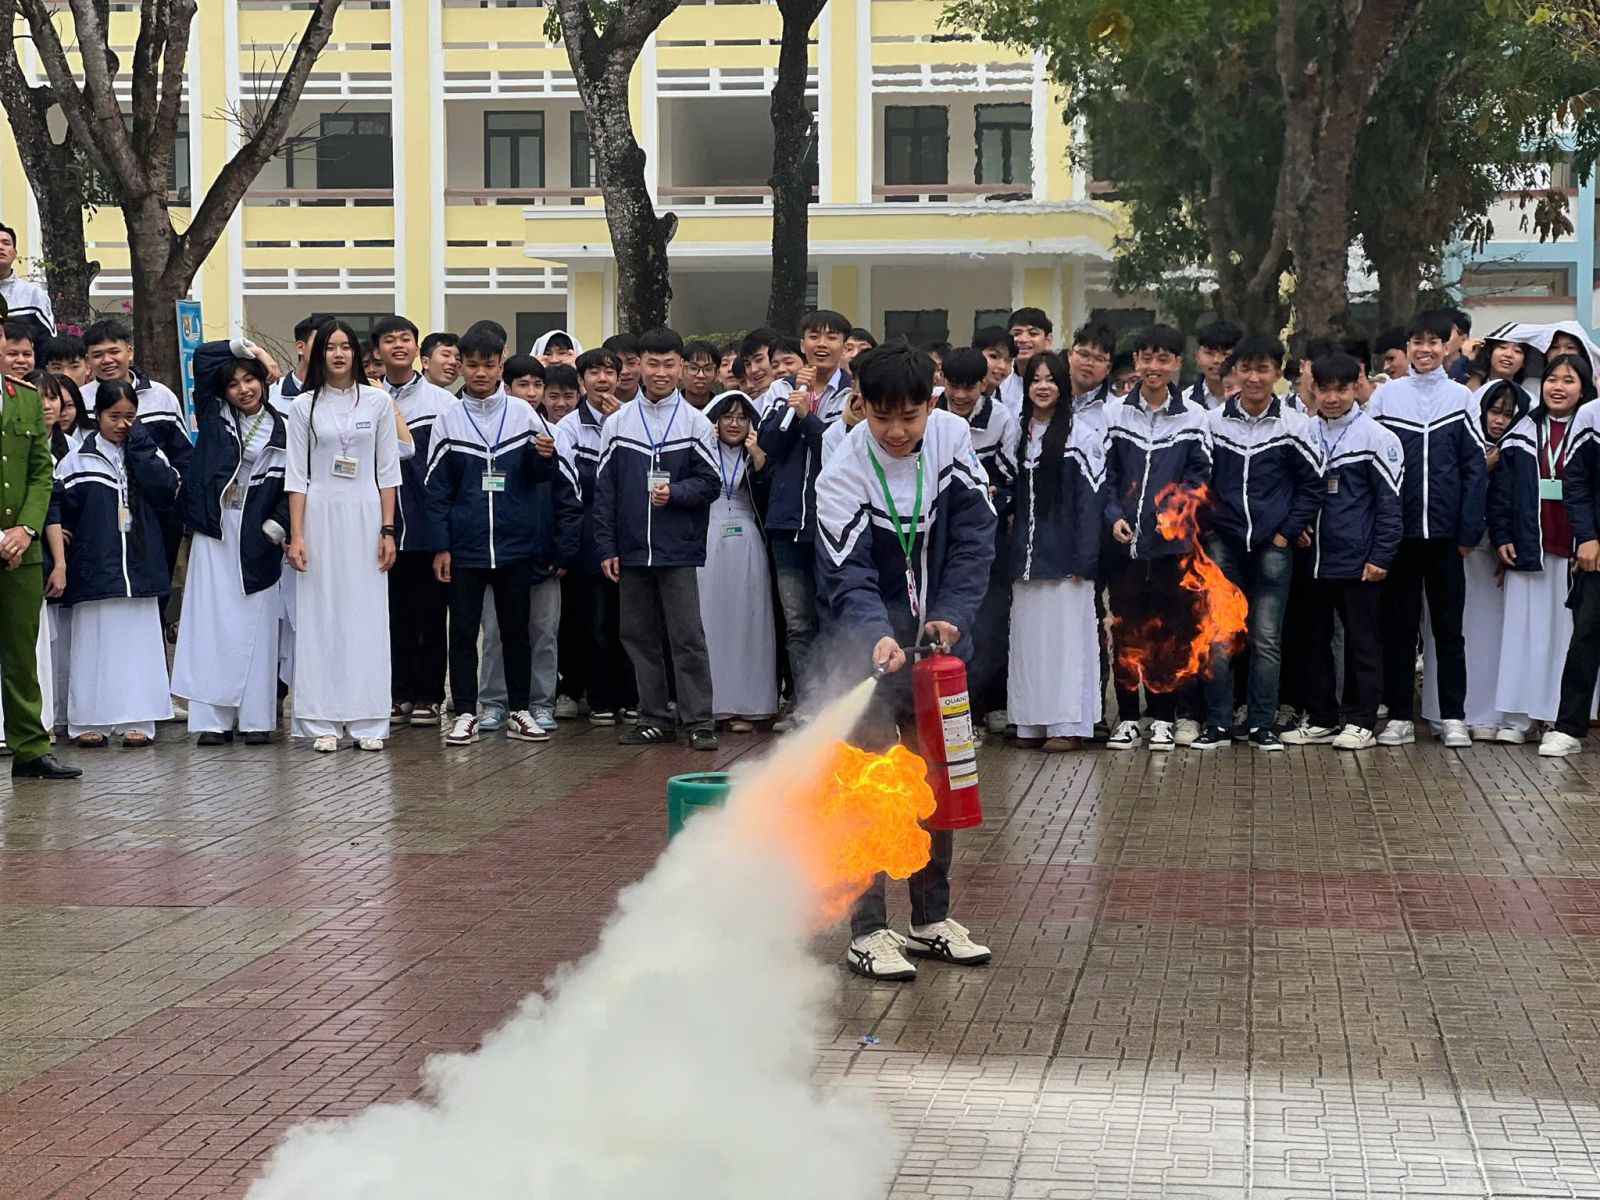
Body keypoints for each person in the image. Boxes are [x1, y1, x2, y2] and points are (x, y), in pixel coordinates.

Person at [814, 341, 996, 982]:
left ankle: (929, 919)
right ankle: (867, 931)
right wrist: (875, 636)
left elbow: (974, 539)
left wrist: (953, 614)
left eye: (910, 416)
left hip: (939, 651)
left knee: (936, 780)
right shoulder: (840, 471)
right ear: (859, 403)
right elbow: (848, 575)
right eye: (881, 416)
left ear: (932, 404)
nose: (896, 431)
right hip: (867, 658)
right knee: (868, 787)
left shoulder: (951, 439)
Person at [426, 326, 581, 746]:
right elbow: (436, 490)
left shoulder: (522, 414)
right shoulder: (449, 417)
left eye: (489, 365)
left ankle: (520, 709)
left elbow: (542, 477)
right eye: (472, 364)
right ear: (462, 366)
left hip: (515, 545)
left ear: (501, 366)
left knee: (517, 633)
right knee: (463, 634)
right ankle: (465, 712)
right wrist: (441, 546)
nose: (480, 373)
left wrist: (545, 459)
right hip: (466, 548)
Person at [593, 326, 721, 750]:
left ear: (681, 367)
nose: (660, 372)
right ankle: (654, 717)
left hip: (677, 549)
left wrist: (676, 493)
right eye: (652, 363)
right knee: (637, 636)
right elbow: (605, 491)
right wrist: (607, 546)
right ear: (638, 366)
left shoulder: (696, 423)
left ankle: (699, 720)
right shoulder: (618, 423)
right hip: (631, 550)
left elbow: (711, 483)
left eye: (669, 364)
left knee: (687, 637)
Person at [1366, 309, 1487, 747]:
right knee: (1398, 630)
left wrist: (1468, 530)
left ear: (1447, 345)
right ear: (1408, 347)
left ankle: (1453, 716)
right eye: (1417, 342)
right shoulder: (1386, 398)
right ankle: (1400, 716)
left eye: (1434, 342)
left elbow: (1474, 468)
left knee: (1449, 631)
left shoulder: (1462, 398)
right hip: (1397, 537)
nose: (1425, 349)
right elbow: (1371, 467)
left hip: (1445, 537)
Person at [1200, 334, 1323, 751]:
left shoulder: (1294, 425)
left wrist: (1287, 531)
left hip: (1274, 545)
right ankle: (1217, 723)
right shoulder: (1212, 423)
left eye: (1263, 369)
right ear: (1234, 372)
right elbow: (1199, 480)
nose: (1254, 378)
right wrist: (1211, 529)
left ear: (1277, 373)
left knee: (1266, 639)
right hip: (1223, 544)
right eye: (1246, 368)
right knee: (1219, 637)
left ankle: (1260, 724)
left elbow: (1313, 485)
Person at [284, 319, 402, 752]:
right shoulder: (304, 406)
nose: (338, 354)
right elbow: (296, 476)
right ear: (318, 354)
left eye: (345, 346)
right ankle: (321, 720)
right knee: (322, 614)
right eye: (330, 347)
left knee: (366, 615)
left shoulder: (378, 401)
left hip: (366, 514)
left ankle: (369, 718)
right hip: (320, 514)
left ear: (357, 353)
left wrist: (388, 529)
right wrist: (297, 535)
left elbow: (388, 471)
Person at [171, 341, 290, 746]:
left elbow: (296, 484)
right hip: (216, 529)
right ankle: (212, 720)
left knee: (257, 626)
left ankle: (256, 719)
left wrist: (278, 526)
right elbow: (204, 358)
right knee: (211, 623)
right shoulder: (213, 414)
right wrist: (256, 352)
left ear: (263, 384)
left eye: (250, 379)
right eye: (234, 383)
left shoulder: (285, 428)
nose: (243, 389)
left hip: (258, 535)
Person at [1286, 352, 1403, 751]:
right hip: (1311, 560)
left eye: (1342, 389)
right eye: (1325, 390)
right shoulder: (1302, 433)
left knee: (1363, 643)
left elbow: (1389, 505)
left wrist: (1381, 556)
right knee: (1313, 641)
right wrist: (1297, 526)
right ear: (1312, 389)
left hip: (1358, 560)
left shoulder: (1378, 437)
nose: (1333, 398)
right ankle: (1321, 718)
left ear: (1357, 387)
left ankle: (1363, 721)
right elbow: (1292, 492)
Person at [1102, 324, 1211, 751]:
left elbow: (1200, 475)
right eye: (1146, 358)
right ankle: (1129, 716)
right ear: (1136, 362)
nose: (1154, 367)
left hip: (1171, 546)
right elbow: (1105, 476)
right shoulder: (1114, 414)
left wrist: (1175, 510)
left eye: (1163, 359)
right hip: (1124, 547)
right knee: (1126, 631)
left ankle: (1163, 716)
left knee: (1167, 632)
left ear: (1177, 363)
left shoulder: (1194, 417)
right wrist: (1114, 516)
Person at [56, 380, 180, 747]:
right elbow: (62, 510)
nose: (122, 424)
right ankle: (87, 720)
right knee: (92, 646)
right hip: (95, 569)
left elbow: (167, 490)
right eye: (114, 416)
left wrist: (141, 446)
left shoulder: (146, 453)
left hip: (140, 568)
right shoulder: (76, 460)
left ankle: (138, 718)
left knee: (138, 645)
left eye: (130, 417)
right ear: (97, 415)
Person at [1489, 357, 1594, 753]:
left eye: (1569, 380)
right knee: (1522, 633)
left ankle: (1556, 715)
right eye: (1552, 379)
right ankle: (1517, 717)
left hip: (1574, 549)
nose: (1558, 387)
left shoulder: (1589, 429)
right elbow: (1501, 491)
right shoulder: (1522, 430)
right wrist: (1502, 536)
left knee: (1564, 635)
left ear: (1583, 389)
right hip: (1529, 546)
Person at [1007, 350, 1103, 751]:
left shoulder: (1082, 436)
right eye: (1035, 380)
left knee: (1066, 645)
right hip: (1026, 559)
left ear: (1062, 386)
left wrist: (1084, 557)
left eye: (1050, 379)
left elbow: (1090, 503)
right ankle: (1031, 723)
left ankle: (1068, 724)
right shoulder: (1016, 433)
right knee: (1029, 644)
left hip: (1066, 561)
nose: (1042, 387)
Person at [758, 310, 853, 715]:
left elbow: (841, 449)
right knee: (796, 623)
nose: (821, 344)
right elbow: (767, 446)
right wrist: (792, 405)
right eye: (814, 336)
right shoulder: (782, 390)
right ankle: (805, 706)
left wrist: (806, 417)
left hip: (833, 524)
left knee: (832, 618)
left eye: (831, 337)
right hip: (786, 523)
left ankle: (835, 706)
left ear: (845, 346)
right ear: (803, 345)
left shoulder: (852, 394)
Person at [1420, 380, 1527, 739]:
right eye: (1494, 411)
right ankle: (1446, 713)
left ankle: (1492, 714)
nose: (1499, 421)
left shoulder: (1517, 449)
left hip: (1496, 557)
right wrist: (1481, 465)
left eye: (1508, 415)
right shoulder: (1460, 444)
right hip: (1455, 549)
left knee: (1493, 639)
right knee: (1452, 631)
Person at [373, 315, 452, 727]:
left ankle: (429, 695)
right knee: (392, 616)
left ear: (417, 348)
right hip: (381, 528)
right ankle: (398, 693)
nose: (398, 345)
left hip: (426, 527)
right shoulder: (367, 399)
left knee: (430, 616)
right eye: (389, 340)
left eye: (405, 338)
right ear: (378, 351)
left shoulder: (442, 403)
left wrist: (444, 536)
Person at [0, 368, 79, 778]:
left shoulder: (25, 397)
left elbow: (40, 472)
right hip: (6, 542)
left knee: (21, 655)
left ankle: (30, 748)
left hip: (21, 547)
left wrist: (26, 529)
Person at [555, 346, 637, 726]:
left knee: (629, 621)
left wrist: (622, 424)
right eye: (594, 373)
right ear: (581, 380)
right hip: (588, 538)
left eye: (609, 373)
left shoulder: (632, 419)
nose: (602, 380)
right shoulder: (569, 427)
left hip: (629, 535)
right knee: (593, 621)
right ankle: (598, 697)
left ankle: (630, 696)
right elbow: (576, 482)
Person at [938, 346, 1018, 735]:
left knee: (988, 622)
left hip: (985, 534)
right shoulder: (929, 411)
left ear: (984, 384)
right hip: (936, 532)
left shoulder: (1001, 419)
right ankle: (944, 710)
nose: (960, 395)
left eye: (969, 387)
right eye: (953, 386)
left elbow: (1009, 478)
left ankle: (987, 706)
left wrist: (991, 497)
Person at [698, 390, 777, 730]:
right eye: (727, 416)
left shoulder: (757, 455)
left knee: (750, 620)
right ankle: (713, 704)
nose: (734, 423)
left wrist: (759, 459)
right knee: (710, 618)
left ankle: (751, 703)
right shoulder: (701, 452)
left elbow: (769, 497)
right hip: (708, 537)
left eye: (742, 418)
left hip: (748, 541)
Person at [0, 223, 54, 336]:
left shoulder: (33, 295)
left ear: (15, 253)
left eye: (6, 243)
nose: (1, 247)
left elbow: (47, 341)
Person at [267, 314, 328, 413]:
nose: (330, 352)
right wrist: (259, 353)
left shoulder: (344, 395)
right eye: (321, 344)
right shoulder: (272, 393)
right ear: (300, 347)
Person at [1002, 307, 1054, 419]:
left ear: (1048, 340)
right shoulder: (1000, 384)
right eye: (1017, 333)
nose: (1023, 339)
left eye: (1033, 333)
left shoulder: (1061, 383)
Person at [1190, 320, 1244, 410]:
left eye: (1225, 354)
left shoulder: (1254, 399)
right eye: (1209, 353)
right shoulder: (1184, 403)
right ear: (1197, 356)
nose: (1217, 360)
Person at [681, 338, 720, 410]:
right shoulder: (668, 408)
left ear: (717, 374)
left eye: (708, 369)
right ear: (681, 370)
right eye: (693, 368)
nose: (701, 375)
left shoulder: (724, 409)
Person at [604, 332, 642, 404]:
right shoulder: (594, 405)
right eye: (617, 365)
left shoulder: (656, 400)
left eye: (631, 363)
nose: (624, 371)